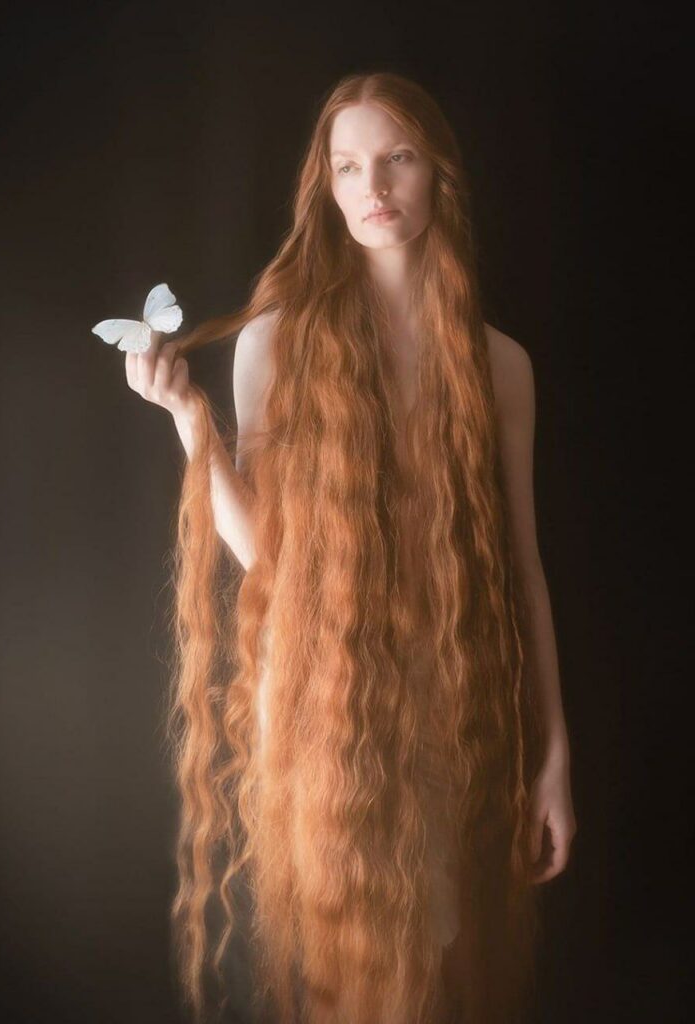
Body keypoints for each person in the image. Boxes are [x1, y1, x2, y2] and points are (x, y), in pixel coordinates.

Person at [123, 71, 576, 1024]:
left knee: (445, 970)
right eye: (349, 165)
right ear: (324, 188)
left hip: (456, 710)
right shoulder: (276, 343)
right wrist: (190, 423)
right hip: (325, 711)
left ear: (436, 174)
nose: (374, 185)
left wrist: (552, 760)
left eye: (397, 158)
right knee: (355, 977)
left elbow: (523, 570)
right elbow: (272, 567)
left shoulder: (501, 366)